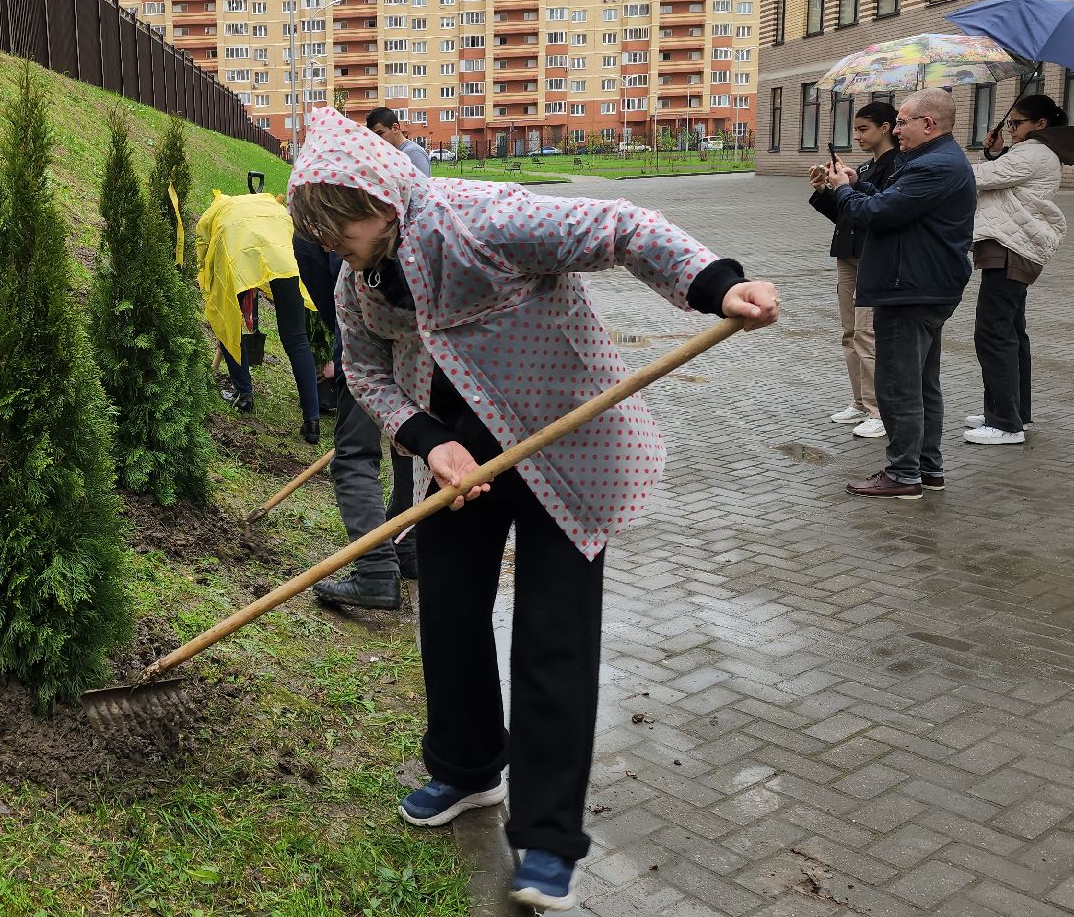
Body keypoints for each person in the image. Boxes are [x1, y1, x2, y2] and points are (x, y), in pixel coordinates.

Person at [288, 106, 781, 910]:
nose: (336, 248)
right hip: (459, 467)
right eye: (326, 238)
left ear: (380, 196)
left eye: (341, 228)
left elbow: (620, 225)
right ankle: (467, 768)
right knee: (447, 615)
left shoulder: (479, 217)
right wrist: (428, 439)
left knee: (554, 636)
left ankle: (548, 838)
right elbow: (365, 371)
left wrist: (718, 285)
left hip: (565, 444)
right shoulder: (359, 284)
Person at [819, 87, 976, 500]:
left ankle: (905, 475)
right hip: (920, 284)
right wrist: (856, 184)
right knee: (922, 383)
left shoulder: (935, 166)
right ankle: (926, 469)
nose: (897, 128)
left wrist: (843, 191)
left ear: (928, 124)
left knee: (899, 386)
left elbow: (878, 216)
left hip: (912, 288)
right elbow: (893, 204)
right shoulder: (931, 161)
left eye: (903, 121)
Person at [294, 230, 417, 609]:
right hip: (419, 351)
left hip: (364, 350)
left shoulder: (314, 218)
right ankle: (407, 544)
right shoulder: (414, 184)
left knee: (355, 455)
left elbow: (326, 293)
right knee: (412, 442)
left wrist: (348, 340)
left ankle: (377, 571)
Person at [963, 93, 1074, 446]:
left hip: (1011, 248)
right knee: (1011, 333)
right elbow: (1003, 173)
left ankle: (1004, 423)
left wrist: (940, 161)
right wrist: (994, 151)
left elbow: (980, 177)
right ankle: (1013, 412)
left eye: (1015, 123)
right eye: (1008, 123)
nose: (1009, 129)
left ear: (1040, 124)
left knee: (992, 333)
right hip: (1014, 245)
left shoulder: (1034, 152)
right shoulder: (1034, 151)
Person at [194, 189, 323, 443]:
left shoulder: (217, 214)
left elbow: (203, 249)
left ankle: (244, 397)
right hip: (283, 257)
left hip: (238, 253)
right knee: (297, 339)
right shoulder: (270, 205)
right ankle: (312, 421)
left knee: (227, 320)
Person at [807, 101, 901, 440]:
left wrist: (850, 186)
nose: (857, 135)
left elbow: (878, 211)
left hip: (872, 257)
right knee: (849, 333)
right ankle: (861, 402)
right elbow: (848, 214)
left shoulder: (897, 167)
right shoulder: (865, 165)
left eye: (863, 129)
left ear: (886, 127)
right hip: (847, 254)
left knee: (867, 334)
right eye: (856, 129)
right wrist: (826, 190)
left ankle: (880, 411)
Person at [367, 107, 432, 177]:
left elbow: (423, 186)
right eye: (373, 135)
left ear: (395, 128)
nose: (377, 139)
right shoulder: (390, 153)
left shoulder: (413, 152)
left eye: (380, 133)